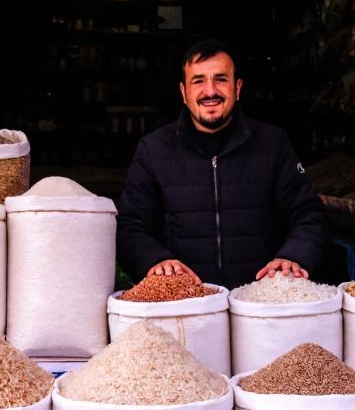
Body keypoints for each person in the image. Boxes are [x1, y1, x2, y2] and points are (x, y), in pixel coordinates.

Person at [116, 39, 326, 289]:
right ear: (184, 93)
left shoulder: (273, 144)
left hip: (259, 303)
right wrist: (155, 259)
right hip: (186, 304)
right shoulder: (153, 150)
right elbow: (130, 226)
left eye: (221, 79)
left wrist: (293, 256)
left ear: (237, 88)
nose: (210, 91)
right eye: (198, 81)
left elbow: (309, 215)